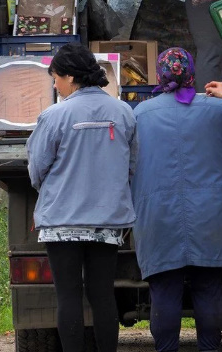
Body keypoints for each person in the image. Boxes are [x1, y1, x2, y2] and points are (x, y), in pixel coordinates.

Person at [130, 47, 222, 352]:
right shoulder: (217, 109)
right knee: (209, 288)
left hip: (157, 216)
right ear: (192, 75)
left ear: (159, 76)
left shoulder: (139, 114)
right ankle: (209, 347)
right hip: (211, 216)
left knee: (164, 289)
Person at [26, 43, 138, 352]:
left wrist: (55, 190)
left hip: (62, 219)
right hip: (106, 220)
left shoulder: (54, 115)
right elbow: (131, 165)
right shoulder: (123, 112)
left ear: (70, 77)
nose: (54, 84)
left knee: (68, 295)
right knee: (102, 294)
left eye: (55, 77)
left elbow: (36, 169)